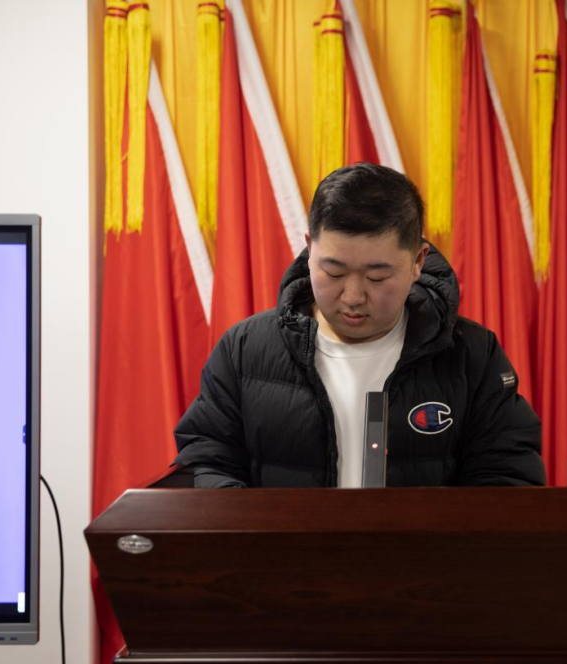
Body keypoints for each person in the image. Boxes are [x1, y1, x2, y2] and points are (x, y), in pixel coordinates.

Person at [174, 163, 546, 488]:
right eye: (333, 272)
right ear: (309, 249)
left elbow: (506, 480)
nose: (353, 296)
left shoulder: (472, 356)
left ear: (418, 261)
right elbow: (205, 464)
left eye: (377, 277)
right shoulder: (244, 351)